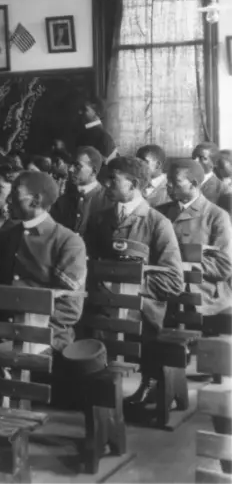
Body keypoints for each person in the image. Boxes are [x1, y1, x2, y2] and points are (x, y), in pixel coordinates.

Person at [83, 157, 183, 408]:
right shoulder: (99, 219)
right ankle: (94, 385)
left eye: (113, 179)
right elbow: (86, 263)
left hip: (141, 307)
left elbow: (173, 281)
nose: (106, 184)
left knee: (144, 324)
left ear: (134, 184)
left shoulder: (157, 223)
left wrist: (128, 285)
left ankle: (149, 381)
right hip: (101, 302)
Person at [0, 172, 88, 354]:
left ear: (36, 200)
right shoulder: (9, 234)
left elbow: (69, 308)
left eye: (15, 193)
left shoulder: (67, 241)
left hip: (47, 336)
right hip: (4, 330)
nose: (9, 200)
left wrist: (24, 327)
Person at [157, 159, 232, 321]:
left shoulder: (216, 216)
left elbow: (224, 266)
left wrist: (184, 263)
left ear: (193, 184)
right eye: (167, 180)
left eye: (175, 181)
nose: (168, 185)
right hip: (162, 293)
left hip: (201, 298)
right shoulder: (159, 213)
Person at [50, 146, 112, 237]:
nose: (70, 169)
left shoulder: (109, 201)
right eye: (71, 165)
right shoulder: (63, 199)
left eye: (77, 166)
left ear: (93, 171)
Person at [75, 97, 118, 161]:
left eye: (85, 110)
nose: (79, 112)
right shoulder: (84, 132)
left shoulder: (102, 136)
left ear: (97, 112)